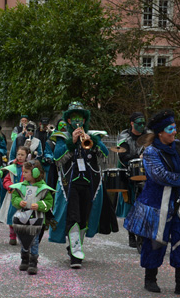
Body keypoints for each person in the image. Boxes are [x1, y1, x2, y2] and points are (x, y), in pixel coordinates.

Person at [124, 109, 180, 297]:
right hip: (158, 206)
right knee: (155, 242)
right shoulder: (150, 152)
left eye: (175, 127)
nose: (174, 131)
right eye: (170, 128)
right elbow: (159, 176)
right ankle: (150, 279)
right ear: (160, 133)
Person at [51, 102, 118, 269]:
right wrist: (72, 142)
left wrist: (94, 142)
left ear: (85, 120)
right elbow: (57, 158)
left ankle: (75, 246)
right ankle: (76, 254)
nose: (77, 122)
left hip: (90, 183)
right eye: (73, 119)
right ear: (68, 121)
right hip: (70, 184)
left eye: (80, 118)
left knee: (84, 216)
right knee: (73, 215)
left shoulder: (93, 135)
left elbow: (105, 154)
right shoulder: (61, 136)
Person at [10, 160, 54, 275]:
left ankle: (33, 262)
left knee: (34, 241)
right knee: (24, 239)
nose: (23, 174)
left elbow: (49, 202)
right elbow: (14, 198)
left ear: (35, 173)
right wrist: (19, 202)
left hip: (36, 220)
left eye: (26, 172)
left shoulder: (44, 188)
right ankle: (24, 259)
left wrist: (39, 205)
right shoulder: (20, 187)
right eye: (23, 172)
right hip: (23, 219)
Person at [116, 112, 147, 251]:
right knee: (130, 205)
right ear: (132, 124)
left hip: (146, 173)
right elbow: (123, 156)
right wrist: (137, 156)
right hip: (129, 172)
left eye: (143, 123)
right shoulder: (124, 137)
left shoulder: (148, 135)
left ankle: (143, 234)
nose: (142, 126)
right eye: (139, 123)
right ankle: (131, 234)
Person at [0, 146, 29, 245]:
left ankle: (22, 235)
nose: (20, 157)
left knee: (24, 215)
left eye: (22, 155)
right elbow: (6, 180)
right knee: (12, 215)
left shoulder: (29, 168)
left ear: (27, 156)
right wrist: (10, 187)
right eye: (18, 154)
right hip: (13, 195)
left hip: (24, 195)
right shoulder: (12, 167)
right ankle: (12, 235)